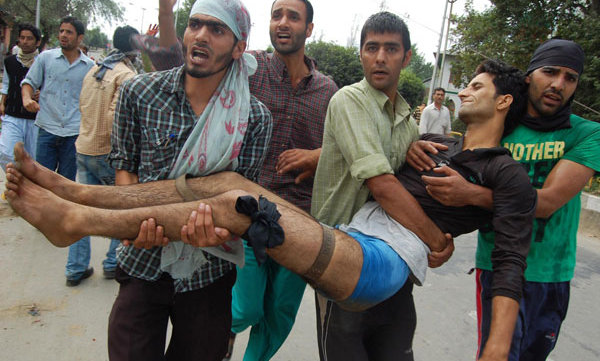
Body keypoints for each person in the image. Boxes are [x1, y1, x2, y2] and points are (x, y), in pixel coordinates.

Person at [6, 58, 536, 361]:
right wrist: (320, 155)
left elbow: (511, 260)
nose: (463, 90)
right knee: (229, 180)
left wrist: (495, 349)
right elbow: (369, 151)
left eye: (476, 86)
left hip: (380, 260)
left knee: (238, 206)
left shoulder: (504, 172)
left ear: (505, 102)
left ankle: (76, 223)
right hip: (351, 236)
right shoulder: (437, 141)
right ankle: (76, 193)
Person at [147, 0, 339, 359]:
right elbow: (179, 65)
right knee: (246, 307)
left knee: (278, 317)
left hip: (301, 220)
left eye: (293, 16)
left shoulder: (329, 91)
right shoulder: (246, 68)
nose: (282, 23)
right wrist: (167, 14)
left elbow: (345, 149)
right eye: (276, 14)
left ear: (310, 29)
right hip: (247, 213)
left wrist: (318, 155)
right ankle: (222, 338)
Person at [406, 39, 600, 360]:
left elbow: (549, 202)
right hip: (497, 265)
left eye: (570, 78)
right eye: (550, 72)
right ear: (529, 76)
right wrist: (413, 145)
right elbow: (452, 167)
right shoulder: (500, 124)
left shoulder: (585, 133)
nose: (558, 84)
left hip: (552, 272)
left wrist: (474, 195)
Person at [111, 0, 272, 361]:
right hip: (141, 261)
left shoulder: (254, 118)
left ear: (238, 47)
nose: (200, 35)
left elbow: (240, 202)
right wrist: (136, 221)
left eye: (216, 29)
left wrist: (218, 232)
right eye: (195, 24)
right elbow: (125, 168)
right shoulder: (140, 93)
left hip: (209, 274)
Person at [310, 11, 437, 361]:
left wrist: (413, 148)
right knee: (345, 348)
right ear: (361, 53)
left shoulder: (406, 119)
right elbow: (382, 185)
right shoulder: (350, 100)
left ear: (407, 57)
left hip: (393, 255)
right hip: (344, 257)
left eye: (391, 49)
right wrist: (435, 239)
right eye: (372, 48)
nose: (380, 58)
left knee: (395, 347)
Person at [20, 16, 94, 286]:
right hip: (48, 127)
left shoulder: (90, 67)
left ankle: (59, 219)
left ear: (80, 38)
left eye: (69, 32)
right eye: (61, 31)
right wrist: (28, 98)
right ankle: (41, 217)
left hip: (74, 131)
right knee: (41, 176)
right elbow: (28, 83)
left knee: (66, 182)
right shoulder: (46, 59)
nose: (63, 35)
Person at [72, 25, 140, 281]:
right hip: (108, 154)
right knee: (119, 212)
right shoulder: (126, 76)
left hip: (84, 147)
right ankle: (113, 263)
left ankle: (75, 268)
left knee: (83, 212)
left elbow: (81, 104)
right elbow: (116, 118)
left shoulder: (94, 69)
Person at [0, 23, 41, 171]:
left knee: (34, 158)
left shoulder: (43, 62)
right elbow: (6, 84)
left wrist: (41, 93)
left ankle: (28, 189)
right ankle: (15, 181)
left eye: (29, 38)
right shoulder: (10, 61)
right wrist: (2, 103)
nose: (25, 41)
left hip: (35, 119)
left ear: (37, 42)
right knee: (6, 152)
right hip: (12, 114)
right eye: (22, 38)